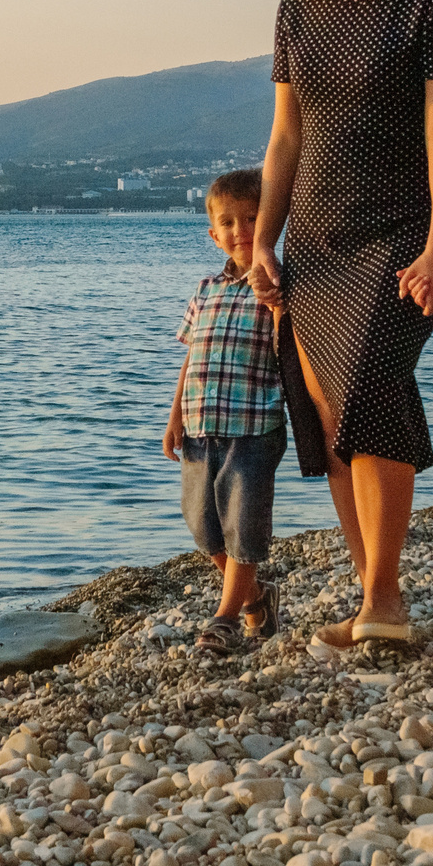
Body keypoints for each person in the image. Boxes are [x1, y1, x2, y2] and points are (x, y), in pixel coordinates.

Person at [248, 0, 433, 648]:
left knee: (374, 388)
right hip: (314, 237)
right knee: (332, 411)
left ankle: (383, 598)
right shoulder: (296, 11)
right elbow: (284, 139)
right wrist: (262, 243)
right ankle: (376, 595)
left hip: (399, 234)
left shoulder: (431, 6)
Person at [163, 167, 289, 657]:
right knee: (204, 526)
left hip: (253, 426)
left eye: (253, 219)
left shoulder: (278, 286)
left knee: (243, 523)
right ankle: (258, 598)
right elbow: (191, 355)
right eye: (230, 223)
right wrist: (174, 416)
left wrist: (276, 303)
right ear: (215, 235)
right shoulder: (205, 289)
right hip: (199, 425)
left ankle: (224, 619)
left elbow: (287, 352)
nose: (242, 231)